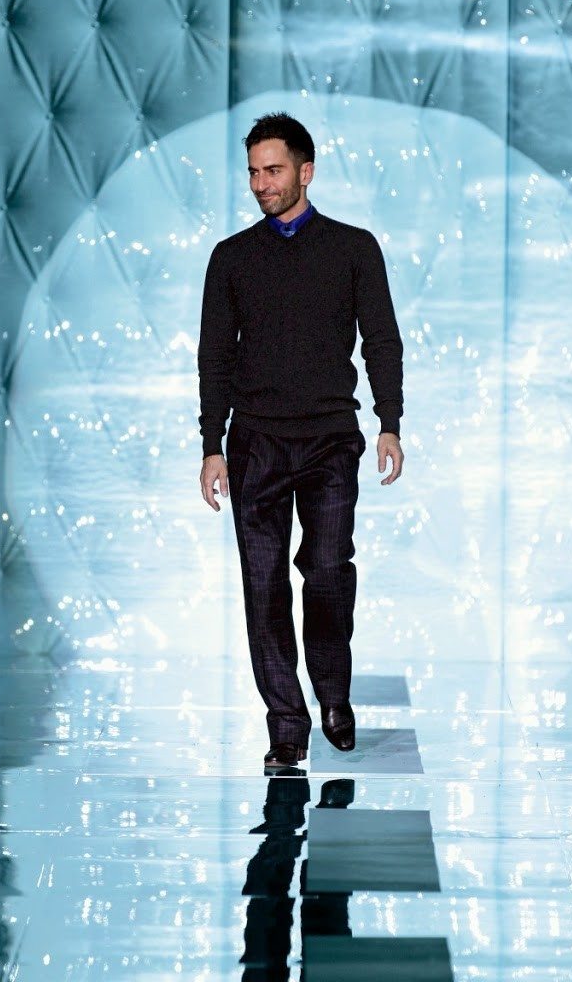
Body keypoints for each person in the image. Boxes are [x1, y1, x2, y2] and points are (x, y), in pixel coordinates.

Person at [197, 111, 404, 771]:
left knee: (327, 572)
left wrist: (390, 422)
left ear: (305, 171)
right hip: (254, 443)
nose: (261, 183)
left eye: (273, 170)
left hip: (329, 440)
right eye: (253, 172)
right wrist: (211, 444)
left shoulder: (353, 248)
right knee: (262, 587)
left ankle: (333, 695)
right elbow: (213, 357)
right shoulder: (231, 258)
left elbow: (381, 338)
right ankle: (286, 726)